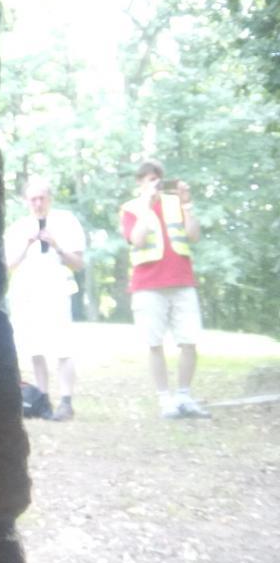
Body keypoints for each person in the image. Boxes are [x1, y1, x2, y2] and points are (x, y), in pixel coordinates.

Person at [120, 160, 211, 420]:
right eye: (148, 179)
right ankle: (165, 399)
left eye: (157, 179)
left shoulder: (176, 204)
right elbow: (136, 240)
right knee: (154, 343)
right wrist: (147, 207)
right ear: (139, 182)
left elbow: (193, 235)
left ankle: (183, 395)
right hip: (148, 284)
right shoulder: (130, 208)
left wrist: (186, 203)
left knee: (190, 340)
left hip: (182, 280)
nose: (154, 183)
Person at [4, 179, 86, 421]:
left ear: (50, 198)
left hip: (56, 289)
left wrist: (57, 245)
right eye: (33, 199)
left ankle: (66, 401)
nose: (38, 203)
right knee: (33, 347)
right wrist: (27, 244)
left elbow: (78, 263)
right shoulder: (18, 228)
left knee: (63, 346)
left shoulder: (66, 221)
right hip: (26, 292)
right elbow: (7, 265)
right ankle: (42, 399)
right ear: (26, 201)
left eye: (42, 198)